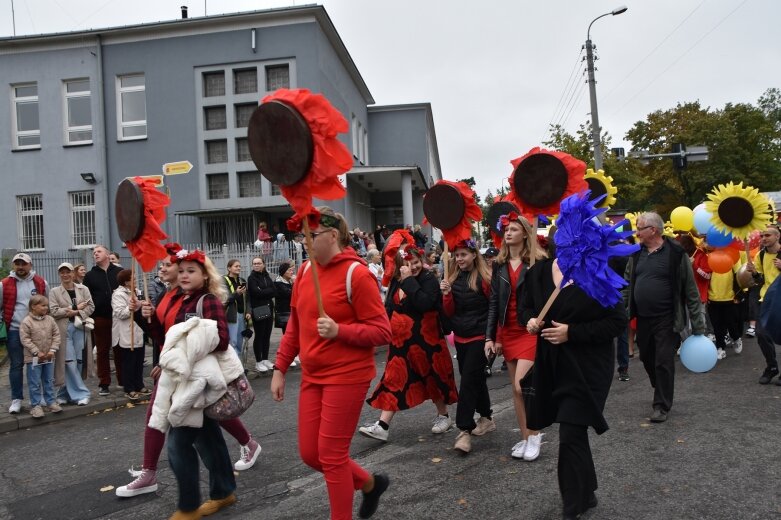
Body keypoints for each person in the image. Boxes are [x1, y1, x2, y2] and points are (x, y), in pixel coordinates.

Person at [271, 206, 392, 520]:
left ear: (333, 235)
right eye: (302, 237)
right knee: (311, 455)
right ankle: (369, 483)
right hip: (313, 375)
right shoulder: (304, 272)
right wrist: (280, 367)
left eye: (311, 236)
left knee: (332, 457)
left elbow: (382, 331)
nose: (304, 243)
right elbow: (295, 326)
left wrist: (341, 331)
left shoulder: (357, 274)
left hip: (347, 375)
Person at [523, 258, 627, 520]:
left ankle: (572, 507)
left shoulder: (598, 272)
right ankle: (587, 490)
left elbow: (617, 322)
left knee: (570, 431)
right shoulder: (539, 271)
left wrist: (573, 332)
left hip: (587, 369)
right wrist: (531, 321)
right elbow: (523, 307)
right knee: (575, 432)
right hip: (553, 366)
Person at [150, 249, 237, 519]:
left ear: (204, 275)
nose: (185, 274)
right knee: (208, 438)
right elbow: (166, 338)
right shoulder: (184, 299)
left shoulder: (207, 300)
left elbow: (221, 339)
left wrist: (186, 352)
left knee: (177, 443)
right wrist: (149, 318)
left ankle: (188, 507)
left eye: (192, 271)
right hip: (187, 381)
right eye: (183, 270)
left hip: (199, 383)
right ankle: (223, 492)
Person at [360, 243, 458, 442]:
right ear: (399, 265)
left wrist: (409, 281)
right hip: (400, 343)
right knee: (393, 379)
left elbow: (425, 303)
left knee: (431, 377)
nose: (414, 267)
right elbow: (389, 307)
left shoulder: (428, 279)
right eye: (408, 263)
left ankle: (443, 416)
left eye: (416, 262)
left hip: (426, 343)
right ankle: (383, 426)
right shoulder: (396, 281)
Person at [623, 212, 705, 422]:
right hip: (643, 318)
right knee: (646, 357)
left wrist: (698, 325)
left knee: (663, 360)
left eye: (640, 228)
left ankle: (661, 405)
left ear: (653, 230)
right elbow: (627, 285)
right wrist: (623, 309)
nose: (637, 232)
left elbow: (691, 290)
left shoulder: (676, 254)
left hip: (667, 318)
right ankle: (660, 384)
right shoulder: (636, 254)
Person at [485, 212, 547, 460]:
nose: (508, 233)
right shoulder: (498, 265)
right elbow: (493, 304)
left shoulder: (537, 262)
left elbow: (545, 299)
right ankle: (524, 437)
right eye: (506, 230)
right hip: (507, 331)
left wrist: (540, 321)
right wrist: (492, 337)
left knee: (523, 386)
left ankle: (535, 434)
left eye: (513, 229)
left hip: (529, 330)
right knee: (515, 389)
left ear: (524, 232)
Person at [440, 239, 495, 454]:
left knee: (469, 382)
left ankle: (464, 430)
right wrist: (446, 295)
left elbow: (494, 308)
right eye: (457, 255)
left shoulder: (485, 278)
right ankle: (486, 418)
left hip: (480, 338)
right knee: (475, 378)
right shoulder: (452, 278)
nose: (459, 259)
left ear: (474, 255)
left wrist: (492, 338)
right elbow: (450, 312)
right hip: (461, 338)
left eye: (463, 254)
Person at [2, 252, 50, 414]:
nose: (20, 267)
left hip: (37, 331)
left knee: (37, 365)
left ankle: (38, 397)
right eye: (17, 264)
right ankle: (16, 399)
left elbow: (46, 305)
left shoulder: (41, 283)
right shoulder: (4, 284)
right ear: (14, 266)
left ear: (30, 265)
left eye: (24, 264)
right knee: (16, 365)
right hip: (14, 331)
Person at [49, 262, 93, 406]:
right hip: (64, 329)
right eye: (62, 272)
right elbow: (54, 311)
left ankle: (64, 393)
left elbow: (91, 306)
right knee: (68, 361)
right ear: (59, 274)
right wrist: (74, 308)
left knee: (79, 361)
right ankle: (81, 393)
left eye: (68, 272)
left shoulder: (83, 288)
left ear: (73, 273)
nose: (65, 275)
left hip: (80, 327)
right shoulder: (54, 292)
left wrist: (74, 312)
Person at [83, 245, 122, 396]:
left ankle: (122, 379)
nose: (95, 254)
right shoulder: (90, 275)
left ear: (107, 254)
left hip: (119, 317)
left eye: (99, 251)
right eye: (94, 253)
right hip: (99, 317)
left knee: (120, 349)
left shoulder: (118, 272)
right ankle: (104, 383)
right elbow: (86, 297)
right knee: (102, 351)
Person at [747, 224, 781, 384]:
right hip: (766, 301)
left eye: (767, 235)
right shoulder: (760, 255)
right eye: (762, 236)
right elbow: (760, 280)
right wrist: (754, 273)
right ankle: (772, 366)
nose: (763, 238)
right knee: (761, 334)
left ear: (777, 236)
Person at [20, 294, 61, 419]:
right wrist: (37, 352)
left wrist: (53, 349)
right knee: (34, 382)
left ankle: (51, 402)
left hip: (49, 356)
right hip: (33, 358)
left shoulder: (50, 319)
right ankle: (36, 406)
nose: (46, 308)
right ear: (33, 307)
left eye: (46, 305)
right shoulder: (26, 321)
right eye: (43, 305)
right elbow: (25, 339)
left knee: (48, 380)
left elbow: (56, 335)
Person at [112, 269, 146, 400]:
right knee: (129, 362)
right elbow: (120, 313)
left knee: (139, 360)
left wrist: (144, 305)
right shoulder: (118, 294)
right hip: (127, 332)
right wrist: (131, 307)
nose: (135, 280)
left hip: (139, 330)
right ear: (126, 281)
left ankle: (139, 384)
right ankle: (129, 388)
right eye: (133, 278)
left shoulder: (138, 292)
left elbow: (143, 305)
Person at [708, 254, 745, 360]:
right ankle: (720, 348)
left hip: (729, 297)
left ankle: (736, 338)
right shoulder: (710, 256)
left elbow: (739, 276)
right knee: (717, 325)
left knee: (731, 322)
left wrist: (739, 295)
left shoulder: (733, 256)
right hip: (713, 297)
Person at [248, 256, 276, 373]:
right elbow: (255, 292)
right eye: (254, 263)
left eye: (259, 263)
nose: (256, 265)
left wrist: (263, 292)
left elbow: (274, 290)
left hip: (269, 309)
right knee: (259, 336)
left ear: (263, 264)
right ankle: (258, 362)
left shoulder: (267, 276)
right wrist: (266, 292)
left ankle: (265, 359)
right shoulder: (251, 278)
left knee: (267, 335)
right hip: (258, 309)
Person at [223, 259, 248, 355]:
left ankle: (239, 364)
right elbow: (225, 299)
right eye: (236, 266)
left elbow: (247, 298)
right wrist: (236, 293)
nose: (239, 268)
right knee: (232, 341)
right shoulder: (224, 280)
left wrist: (248, 311)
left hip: (242, 314)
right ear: (229, 268)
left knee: (240, 341)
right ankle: (233, 366)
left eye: (239, 266)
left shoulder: (242, 280)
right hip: (231, 315)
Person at [274, 261, 297, 367]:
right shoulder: (278, 282)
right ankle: (287, 356)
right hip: (284, 312)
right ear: (283, 272)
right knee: (287, 335)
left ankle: (295, 353)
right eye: (289, 270)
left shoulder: (290, 282)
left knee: (296, 333)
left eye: (292, 269)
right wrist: (295, 284)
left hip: (293, 310)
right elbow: (289, 294)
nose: (292, 271)